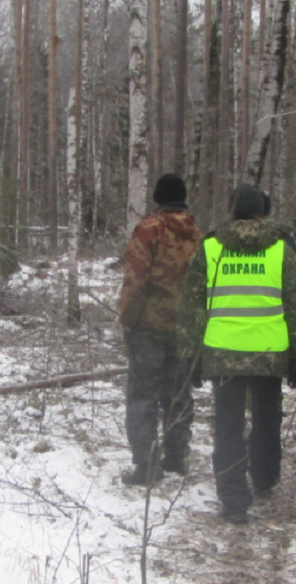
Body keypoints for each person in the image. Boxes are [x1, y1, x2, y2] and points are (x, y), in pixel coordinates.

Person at [177, 183, 296, 524]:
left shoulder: (210, 247)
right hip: (269, 353)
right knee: (267, 419)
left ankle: (234, 500)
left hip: (223, 353)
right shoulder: (281, 249)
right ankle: (265, 479)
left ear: (232, 211)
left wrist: (190, 356)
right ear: (260, 212)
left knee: (228, 426)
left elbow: (192, 307)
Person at [118, 174, 202, 485]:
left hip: (148, 327)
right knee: (178, 392)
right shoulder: (198, 236)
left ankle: (146, 465)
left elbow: (135, 281)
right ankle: (177, 457)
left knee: (143, 393)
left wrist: (128, 319)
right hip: (183, 328)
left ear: (157, 197)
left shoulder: (148, 229)